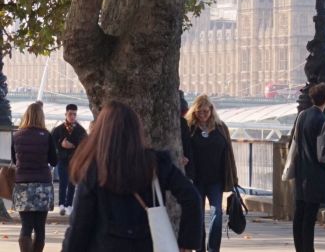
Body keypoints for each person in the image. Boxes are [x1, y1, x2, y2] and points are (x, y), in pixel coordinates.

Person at [61, 101, 202, 251]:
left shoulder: (94, 169)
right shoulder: (155, 164)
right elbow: (192, 197)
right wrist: (187, 242)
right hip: (147, 244)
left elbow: (80, 225)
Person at [185, 94, 239, 252]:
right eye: (199, 112)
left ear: (211, 110)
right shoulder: (190, 129)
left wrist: (233, 178)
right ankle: (199, 248)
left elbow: (229, 154)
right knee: (199, 216)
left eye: (205, 111)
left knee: (217, 215)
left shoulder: (220, 127)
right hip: (196, 179)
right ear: (194, 112)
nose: (202, 115)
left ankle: (213, 248)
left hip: (216, 180)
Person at [293, 82, 325, 252]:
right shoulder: (321, 120)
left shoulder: (303, 115)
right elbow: (322, 150)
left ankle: (300, 248)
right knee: (309, 217)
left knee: (299, 214)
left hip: (301, 172)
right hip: (315, 174)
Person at [11, 102, 57, 252]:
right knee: (40, 228)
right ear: (41, 117)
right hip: (43, 185)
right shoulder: (47, 136)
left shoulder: (16, 136)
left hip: (23, 185)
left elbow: (14, 160)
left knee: (26, 226)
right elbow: (54, 161)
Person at [50, 104, 87, 216]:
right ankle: (61, 204)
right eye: (70, 114)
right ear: (65, 114)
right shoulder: (58, 129)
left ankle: (69, 205)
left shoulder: (80, 130)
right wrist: (61, 145)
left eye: (74, 114)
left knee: (72, 182)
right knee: (63, 182)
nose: (72, 116)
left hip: (75, 160)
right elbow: (52, 145)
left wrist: (72, 146)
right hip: (62, 159)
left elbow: (85, 145)